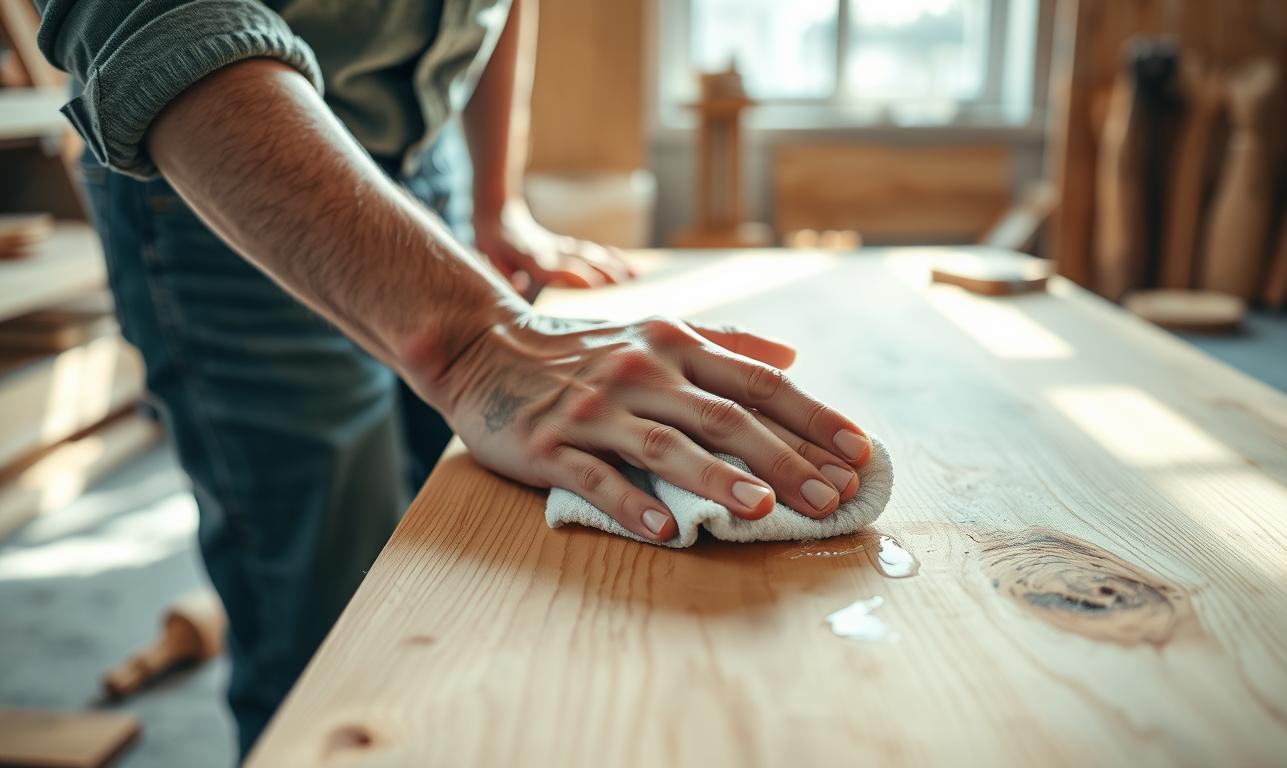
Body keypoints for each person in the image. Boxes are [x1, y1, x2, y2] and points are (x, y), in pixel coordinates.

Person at [34, 0, 874, 757]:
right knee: (324, 636)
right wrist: (480, 340)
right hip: (229, 178)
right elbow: (155, 19)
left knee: (461, 566)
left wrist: (495, 203)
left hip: (427, 162)